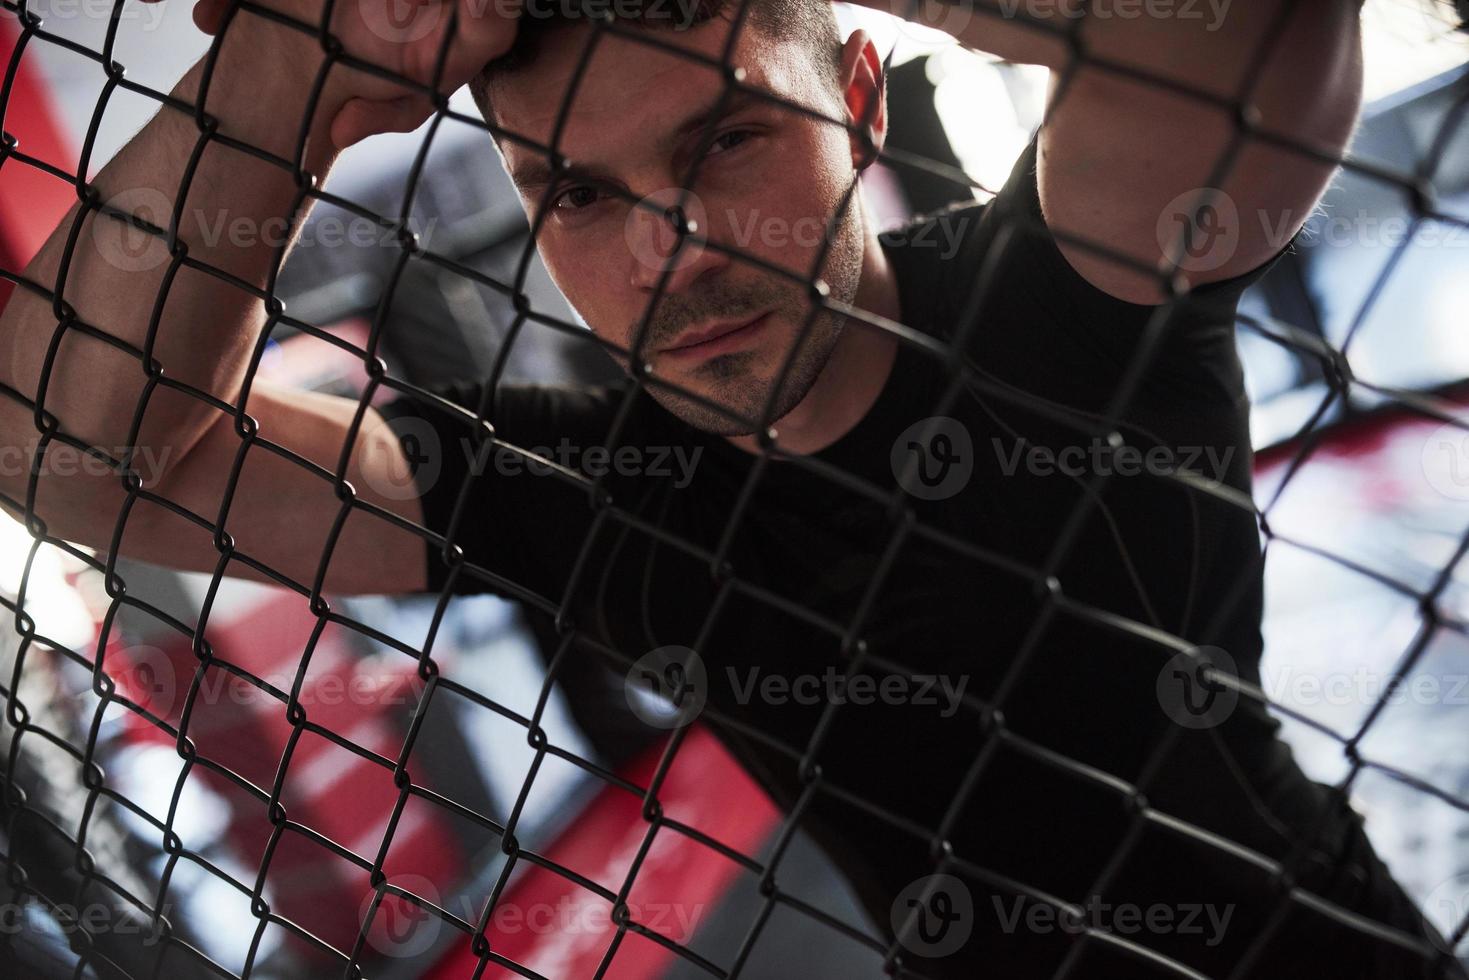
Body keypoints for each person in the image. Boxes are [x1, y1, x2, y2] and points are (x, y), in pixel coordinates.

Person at [0, 0, 1460, 975]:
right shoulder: (583, 485)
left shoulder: (1069, 297)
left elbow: (1242, 26)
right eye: (575, 194)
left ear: (859, 100)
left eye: (724, 141)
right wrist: (289, 70)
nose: (670, 249)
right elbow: (68, 463)